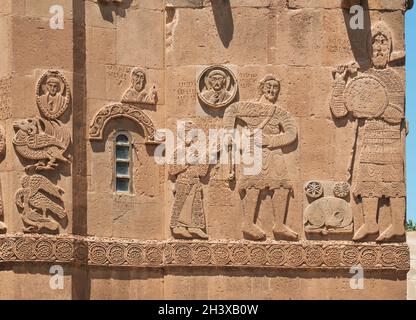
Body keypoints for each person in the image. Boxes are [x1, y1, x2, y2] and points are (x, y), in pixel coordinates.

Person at [330, 21, 406, 241]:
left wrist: (375, 107)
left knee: (393, 183)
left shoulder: (394, 79)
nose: (379, 47)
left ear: (390, 48)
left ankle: (398, 225)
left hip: (390, 138)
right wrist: (339, 82)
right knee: (367, 183)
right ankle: (370, 223)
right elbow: (340, 110)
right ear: (369, 48)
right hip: (369, 138)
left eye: (384, 42)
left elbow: (396, 114)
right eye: (375, 43)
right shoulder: (361, 78)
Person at [223, 75, 298, 241]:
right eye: (268, 86)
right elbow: (231, 110)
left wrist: (271, 140)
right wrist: (229, 132)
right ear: (261, 88)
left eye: (275, 87)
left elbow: (292, 133)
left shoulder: (280, 112)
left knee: (282, 185)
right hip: (254, 149)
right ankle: (248, 224)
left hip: (273, 150)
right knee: (252, 185)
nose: (272, 90)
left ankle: (279, 225)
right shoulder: (250, 108)